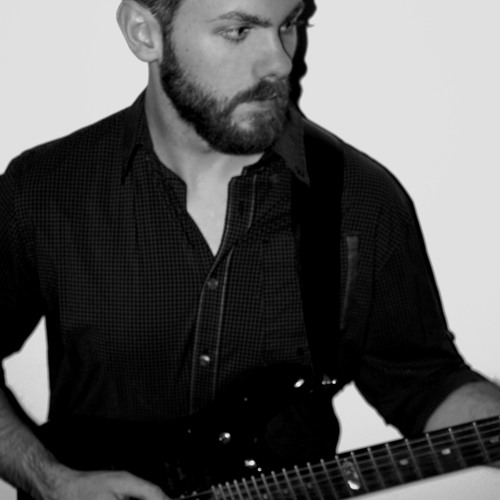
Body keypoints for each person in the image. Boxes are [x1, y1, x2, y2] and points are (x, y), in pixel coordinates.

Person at [1, 0, 500, 499]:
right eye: (239, 30)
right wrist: (49, 480)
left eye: (291, 24)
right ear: (144, 33)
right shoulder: (46, 190)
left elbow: (424, 382)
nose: (281, 61)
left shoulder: (361, 204)